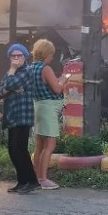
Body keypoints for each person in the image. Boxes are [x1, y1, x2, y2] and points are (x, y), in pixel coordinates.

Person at [0, 43, 40, 194]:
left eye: (18, 55)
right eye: (13, 56)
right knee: (12, 150)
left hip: (23, 115)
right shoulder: (10, 72)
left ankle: (32, 181)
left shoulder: (27, 71)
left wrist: (12, 74)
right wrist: (9, 88)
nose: (15, 59)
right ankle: (22, 181)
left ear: (24, 56)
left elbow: (10, 83)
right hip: (12, 115)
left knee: (19, 148)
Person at [28, 39, 64, 190]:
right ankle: (43, 179)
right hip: (48, 108)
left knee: (40, 145)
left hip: (38, 106)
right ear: (46, 54)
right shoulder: (45, 68)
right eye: (51, 54)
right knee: (50, 145)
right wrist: (64, 81)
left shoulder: (30, 68)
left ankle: (36, 177)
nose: (52, 57)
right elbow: (57, 89)